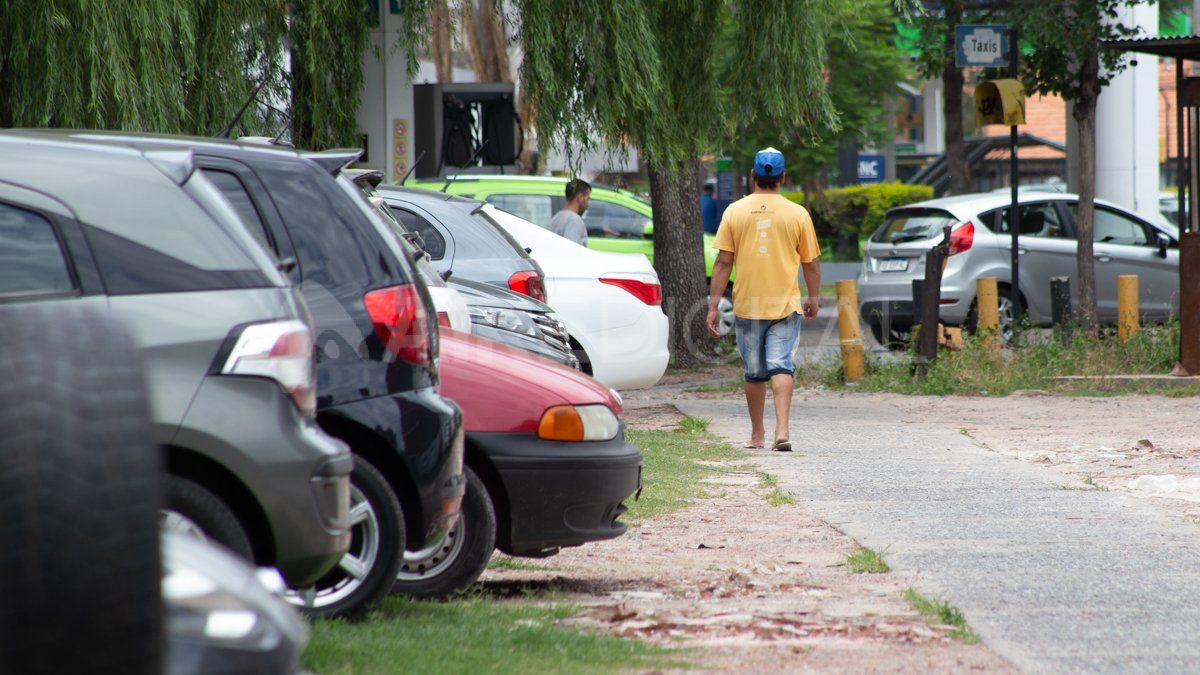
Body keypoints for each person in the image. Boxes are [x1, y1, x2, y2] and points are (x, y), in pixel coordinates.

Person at [706, 147, 821, 452]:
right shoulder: (798, 213)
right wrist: (814, 297)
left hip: (747, 304)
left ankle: (757, 435)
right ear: (783, 176)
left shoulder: (735, 211)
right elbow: (810, 263)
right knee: (781, 365)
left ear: (753, 176)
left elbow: (722, 263)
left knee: (754, 372)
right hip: (785, 304)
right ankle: (782, 431)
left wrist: (713, 305)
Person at [548, 178, 591, 246]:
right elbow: (572, 250)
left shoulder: (557, 217)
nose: (587, 204)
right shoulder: (574, 220)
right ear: (580, 198)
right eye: (587, 199)